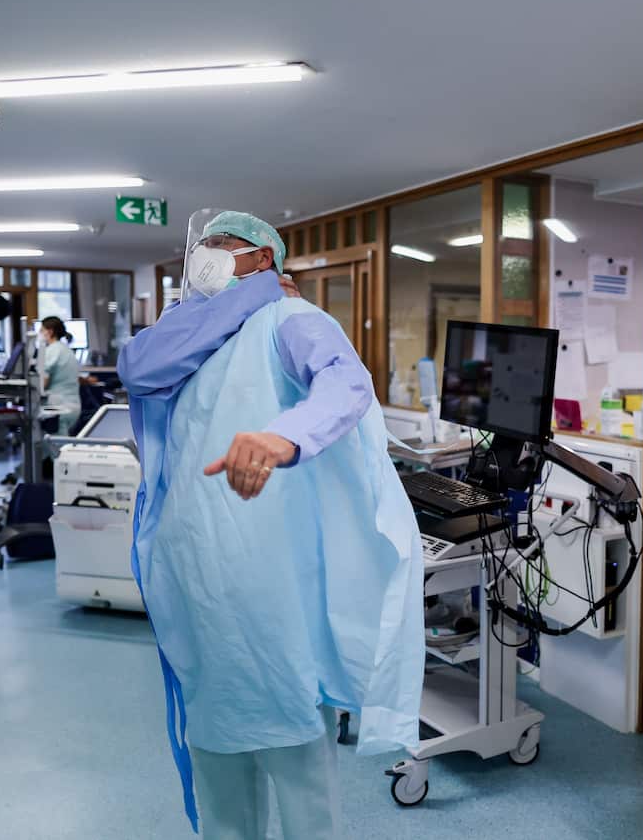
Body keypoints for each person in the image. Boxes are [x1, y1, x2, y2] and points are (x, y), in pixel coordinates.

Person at [117, 211, 424, 840]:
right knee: (216, 741)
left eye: (221, 245)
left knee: (294, 742)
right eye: (201, 246)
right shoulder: (185, 338)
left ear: (262, 259)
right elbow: (138, 368)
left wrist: (285, 435)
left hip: (267, 577)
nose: (204, 254)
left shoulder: (289, 319)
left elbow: (347, 382)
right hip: (195, 573)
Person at [37, 316, 82, 437]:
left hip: (59, 407)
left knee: (59, 452)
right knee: (56, 449)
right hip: (72, 405)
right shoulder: (66, 350)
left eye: (41, 330)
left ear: (50, 331)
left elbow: (43, 383)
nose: (39, 334)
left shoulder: (52, 350)